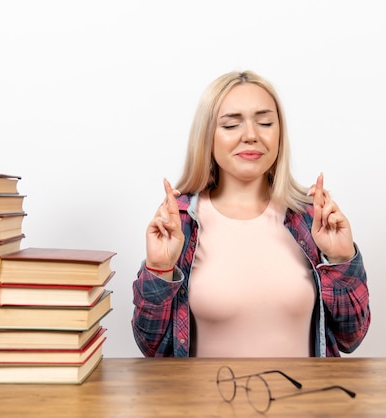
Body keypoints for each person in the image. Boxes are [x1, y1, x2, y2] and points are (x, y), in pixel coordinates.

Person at [131, 70, 370, 358]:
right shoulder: (181, 223)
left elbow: (351, 338)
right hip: (203, 403)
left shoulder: (311, 219)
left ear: (279, 133)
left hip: (304, 403)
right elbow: (150, 347)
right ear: (207, 137)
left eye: (265, 122)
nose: (251, 135)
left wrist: (342, 260)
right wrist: (159, 269)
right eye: (231, 125)